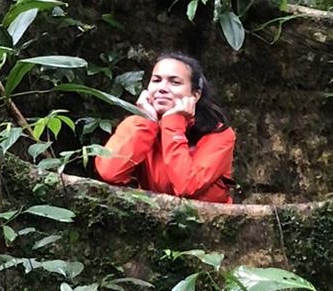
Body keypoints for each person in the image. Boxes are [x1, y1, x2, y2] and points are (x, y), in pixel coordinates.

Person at [94, 52, 235, 204]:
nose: (162, 88)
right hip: (153, 217)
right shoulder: (137, 125)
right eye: (156, 80)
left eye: (175, 82)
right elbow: (109, 173)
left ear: (195, 95)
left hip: (205, 222)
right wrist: (146, 122)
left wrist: (173, 123)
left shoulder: (218, 134)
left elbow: (187, 186)